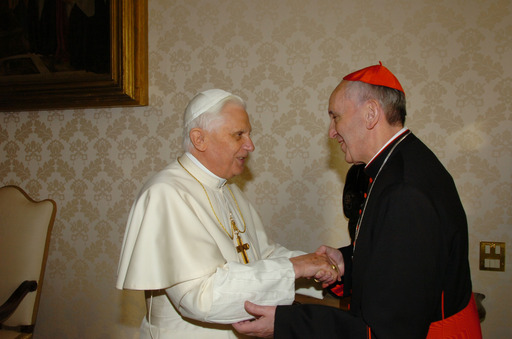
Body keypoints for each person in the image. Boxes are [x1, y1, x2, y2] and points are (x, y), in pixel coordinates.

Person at [233, 63, 482, 338]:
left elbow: (388, 330)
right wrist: (346, 261)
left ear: (371, 114)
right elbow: (397, 259)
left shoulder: (404, 191)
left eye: (335, 117)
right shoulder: (399, 162)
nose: (331, 132)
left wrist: (287, 322)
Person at [116, 89, 340, 338]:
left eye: (249, 134)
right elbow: (201, 297)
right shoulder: (166, 193)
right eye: (239, 135)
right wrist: (294, 268)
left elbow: (263, 255)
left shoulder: (228, 189)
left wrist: (323, 266)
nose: (250, 145)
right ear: (199, 139)